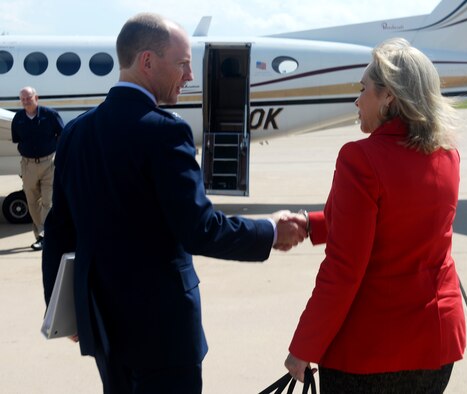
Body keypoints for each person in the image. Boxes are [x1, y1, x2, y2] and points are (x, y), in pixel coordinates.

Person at [41, 13, 306, 394]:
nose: (190, 76)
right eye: (182, 64)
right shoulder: (165, 131)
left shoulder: (75, 132)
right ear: (147, 61)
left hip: (101, 324)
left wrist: (63, 310)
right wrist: (270, 231)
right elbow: (199, 228)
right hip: (162, 332)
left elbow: (58, 229)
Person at [284, 38, 466, 393]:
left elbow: (345, 268)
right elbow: (401, 220)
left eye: (364, 89)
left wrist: (303, 347)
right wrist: (311, 225)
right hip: (436, 344)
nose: (357, 100)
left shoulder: (360, 158)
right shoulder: (447, 155)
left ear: (389, 97)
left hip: (371, 350)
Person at [11, 86, 64, 251]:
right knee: (32, 202)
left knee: (48, 201)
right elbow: (17, 140)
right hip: (28, 165)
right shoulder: (18, 118)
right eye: (23, 99)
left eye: (29, 98)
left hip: (49, 163)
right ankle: (40, 235)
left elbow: (61, 134)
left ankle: (45, 236)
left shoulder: (50, 115)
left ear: (36, 98)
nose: (26, 102)